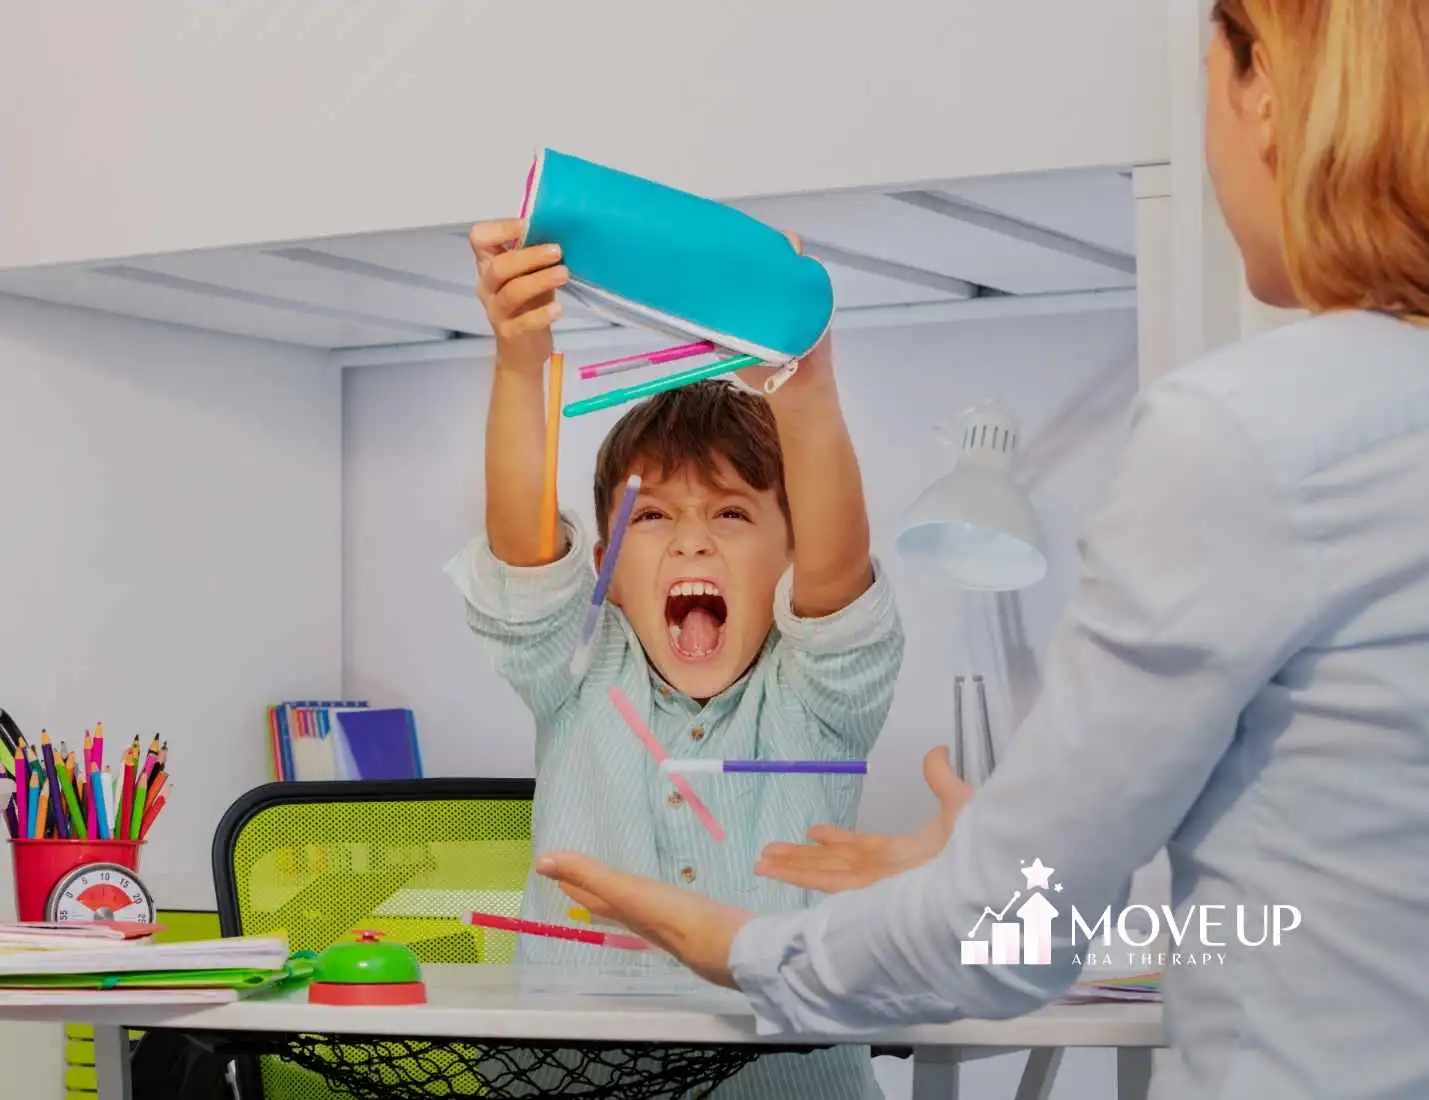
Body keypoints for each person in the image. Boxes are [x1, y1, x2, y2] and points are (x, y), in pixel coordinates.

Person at [535, 2, 1429, 1097]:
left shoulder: (1245, 432)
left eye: (1207, 79)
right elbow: (1308, 911)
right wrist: (996, 864)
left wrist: (740, 948)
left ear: (1267, 93)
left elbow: (1019, 932)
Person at [444, 224, 904, 1097]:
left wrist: (804, 396)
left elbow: (840, 573)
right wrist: (518, 361)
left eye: (730, 515)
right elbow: (519, 551)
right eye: (650, 518)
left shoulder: (819, 695)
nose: (690, 542)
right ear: (605, 572)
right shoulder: (575, 668)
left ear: (789, 556)